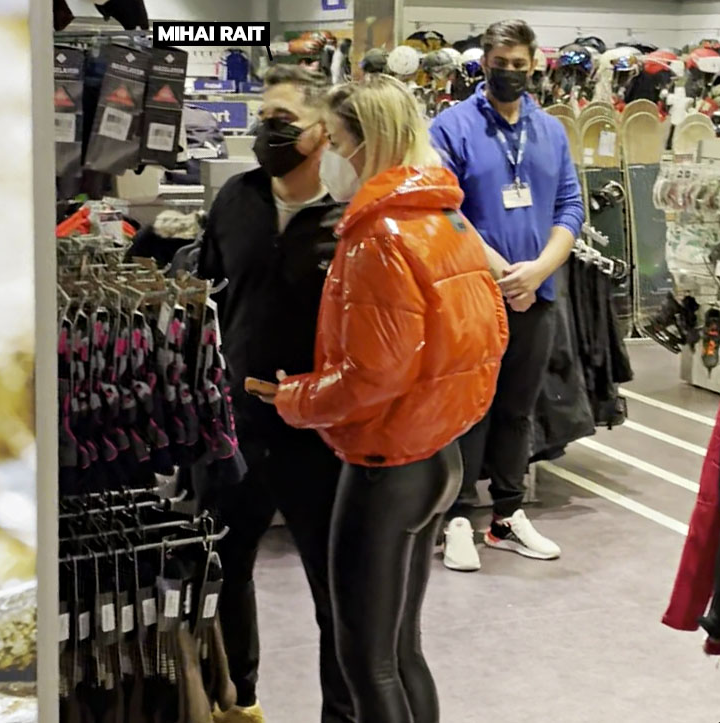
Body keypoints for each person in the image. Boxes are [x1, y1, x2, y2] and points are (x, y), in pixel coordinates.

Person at [267, 74, 508, 723]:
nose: (326, 155)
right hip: (437, 453)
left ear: (365, 143)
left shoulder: (379, 236)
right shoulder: (445, 218)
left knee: (368, 661)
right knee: (402, 652)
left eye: (334, 139)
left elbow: (370, 376)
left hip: (386, 461)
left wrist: (293, 399)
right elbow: (486, 336)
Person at [197, 65, 354, 723]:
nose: (269, 132)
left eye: (283, 121)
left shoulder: (349, 219)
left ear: (322, 133)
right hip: (234, 423)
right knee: (224, 569)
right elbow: (208, 293)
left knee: (334, 590)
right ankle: (240, 702)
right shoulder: (236, 198)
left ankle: (341, 713)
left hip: (318, 434)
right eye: (263, 120)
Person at [429, 19, 585, 570]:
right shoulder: (451, 126)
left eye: (520, 64)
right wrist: (501, 273)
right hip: (474, 295)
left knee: (518, 409)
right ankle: (456, 519)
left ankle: (507, 515)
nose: (511, 72)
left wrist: (539, 270)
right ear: (484, 63)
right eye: (501, 63)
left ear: (533, 65)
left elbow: (570, 206)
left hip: (536, 295)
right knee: (467, 410)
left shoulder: (551, 130)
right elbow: (445, 208)